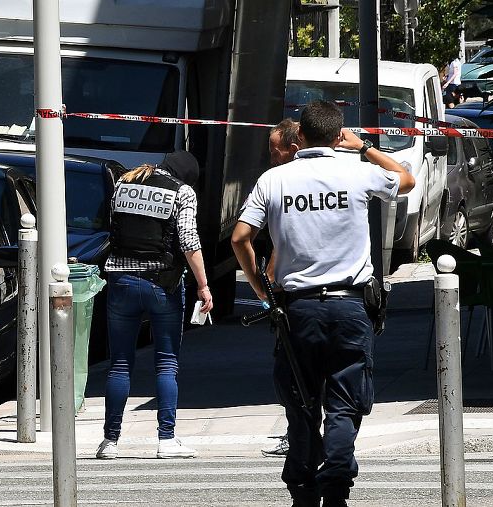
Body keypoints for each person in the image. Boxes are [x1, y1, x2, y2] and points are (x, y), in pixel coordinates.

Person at [231, 100, 414, 507]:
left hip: (297, 311)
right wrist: (364, 146)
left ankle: (302, 487)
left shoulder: (274, 180)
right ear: (337, 135)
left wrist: (262, 289)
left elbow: (240, 238)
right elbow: (405, 180)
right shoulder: (356, 171)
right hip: (350, 306)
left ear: (299, 137)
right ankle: (335, 484)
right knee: (345, 403)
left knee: (300, 402)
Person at [96, 150, 213, 460]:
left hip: (120, 281)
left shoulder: (124, 182)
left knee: (120, 364)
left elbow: (113, 227)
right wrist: (203, 285)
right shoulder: (182, 191)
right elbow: (188, 240)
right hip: (162, 283)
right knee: (167, 363)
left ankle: (110, 442)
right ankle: (166, 439)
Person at [261, 118, 300, 459]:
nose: (271, 158)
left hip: (297, 297)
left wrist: (265, 286)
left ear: (293, 149)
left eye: (275, 152)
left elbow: (242, 238)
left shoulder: (282, 182)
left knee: (289, 370)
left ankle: (297, 432)